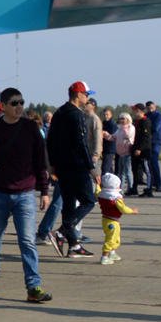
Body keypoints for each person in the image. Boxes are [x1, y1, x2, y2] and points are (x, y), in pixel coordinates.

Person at [0, 88, 53, 303]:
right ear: (3, 106)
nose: (19, 106)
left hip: (25, 194)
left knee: (28, 241)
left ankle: (33, 287)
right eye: (14, 103)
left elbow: (41, 162)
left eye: (22, 102)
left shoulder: (30, 128)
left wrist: (45, 191)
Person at [40, 82, 98, 258]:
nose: (87, 98)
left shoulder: (59, 113)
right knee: (89, 201)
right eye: (86, 95)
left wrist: (54, 166)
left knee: (68, 203)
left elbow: (50, 141)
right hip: (76, 166)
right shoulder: (76, 114)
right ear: (78, 95)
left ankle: (73, 245)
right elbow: (81, 143)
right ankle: (63, 231)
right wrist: (91, 167)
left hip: (62, 167)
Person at [96, 172, 135, 264]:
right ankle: (104, 257)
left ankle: (112, 253)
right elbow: (123, 208)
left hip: (105, 219)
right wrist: (133, 211)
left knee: (114, 237)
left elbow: (97, 192)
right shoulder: (116, 198)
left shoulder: (102, 194)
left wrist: (97, 185)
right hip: (112, 221)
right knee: (110, 239)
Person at [142, 101, 161, 196]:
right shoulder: (146, 115)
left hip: (156, 141)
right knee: (148, 165)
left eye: (152, 108)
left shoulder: (159, 115)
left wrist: (147, 127)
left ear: (154, 106)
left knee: (154, 162)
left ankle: (158, 184)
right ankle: (151, 184)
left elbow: (155, 127)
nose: (150, 110)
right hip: (147, 142)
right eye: (148, 108)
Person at [113, 112, 136, 194]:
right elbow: (113, 137)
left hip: (127, 152)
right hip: (120, 153)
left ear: (128, 119)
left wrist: (125, 127)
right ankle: (121, 188)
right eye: (120, 119)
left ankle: (130, 188)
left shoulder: (131, 127)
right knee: (121, 171)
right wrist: (105, 134)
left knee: (128, 171)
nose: (121, 121)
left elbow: (128, 135)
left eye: (123, 118)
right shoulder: (120, 129)